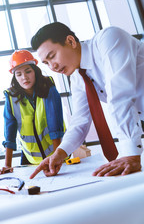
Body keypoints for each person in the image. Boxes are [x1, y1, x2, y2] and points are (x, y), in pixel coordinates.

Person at [30, 22, 143, 179]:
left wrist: (130, 153)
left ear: (71, 41)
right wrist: (60, 153)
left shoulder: (109, 39)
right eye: (46, 63)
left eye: (52, 56)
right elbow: (80, 121)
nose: (52, 67)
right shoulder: (78, 78)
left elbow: (119, 95)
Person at [0, 50, 66, 175]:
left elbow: (55, 127)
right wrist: (7, 165)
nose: (24, 77)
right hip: (30, 159)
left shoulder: (48, 88)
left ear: (35, 71)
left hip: (56, 155)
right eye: (19, 74)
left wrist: (55, 159)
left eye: (28, 71)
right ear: (14, 77)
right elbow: (9, 132)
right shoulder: (11, 97)